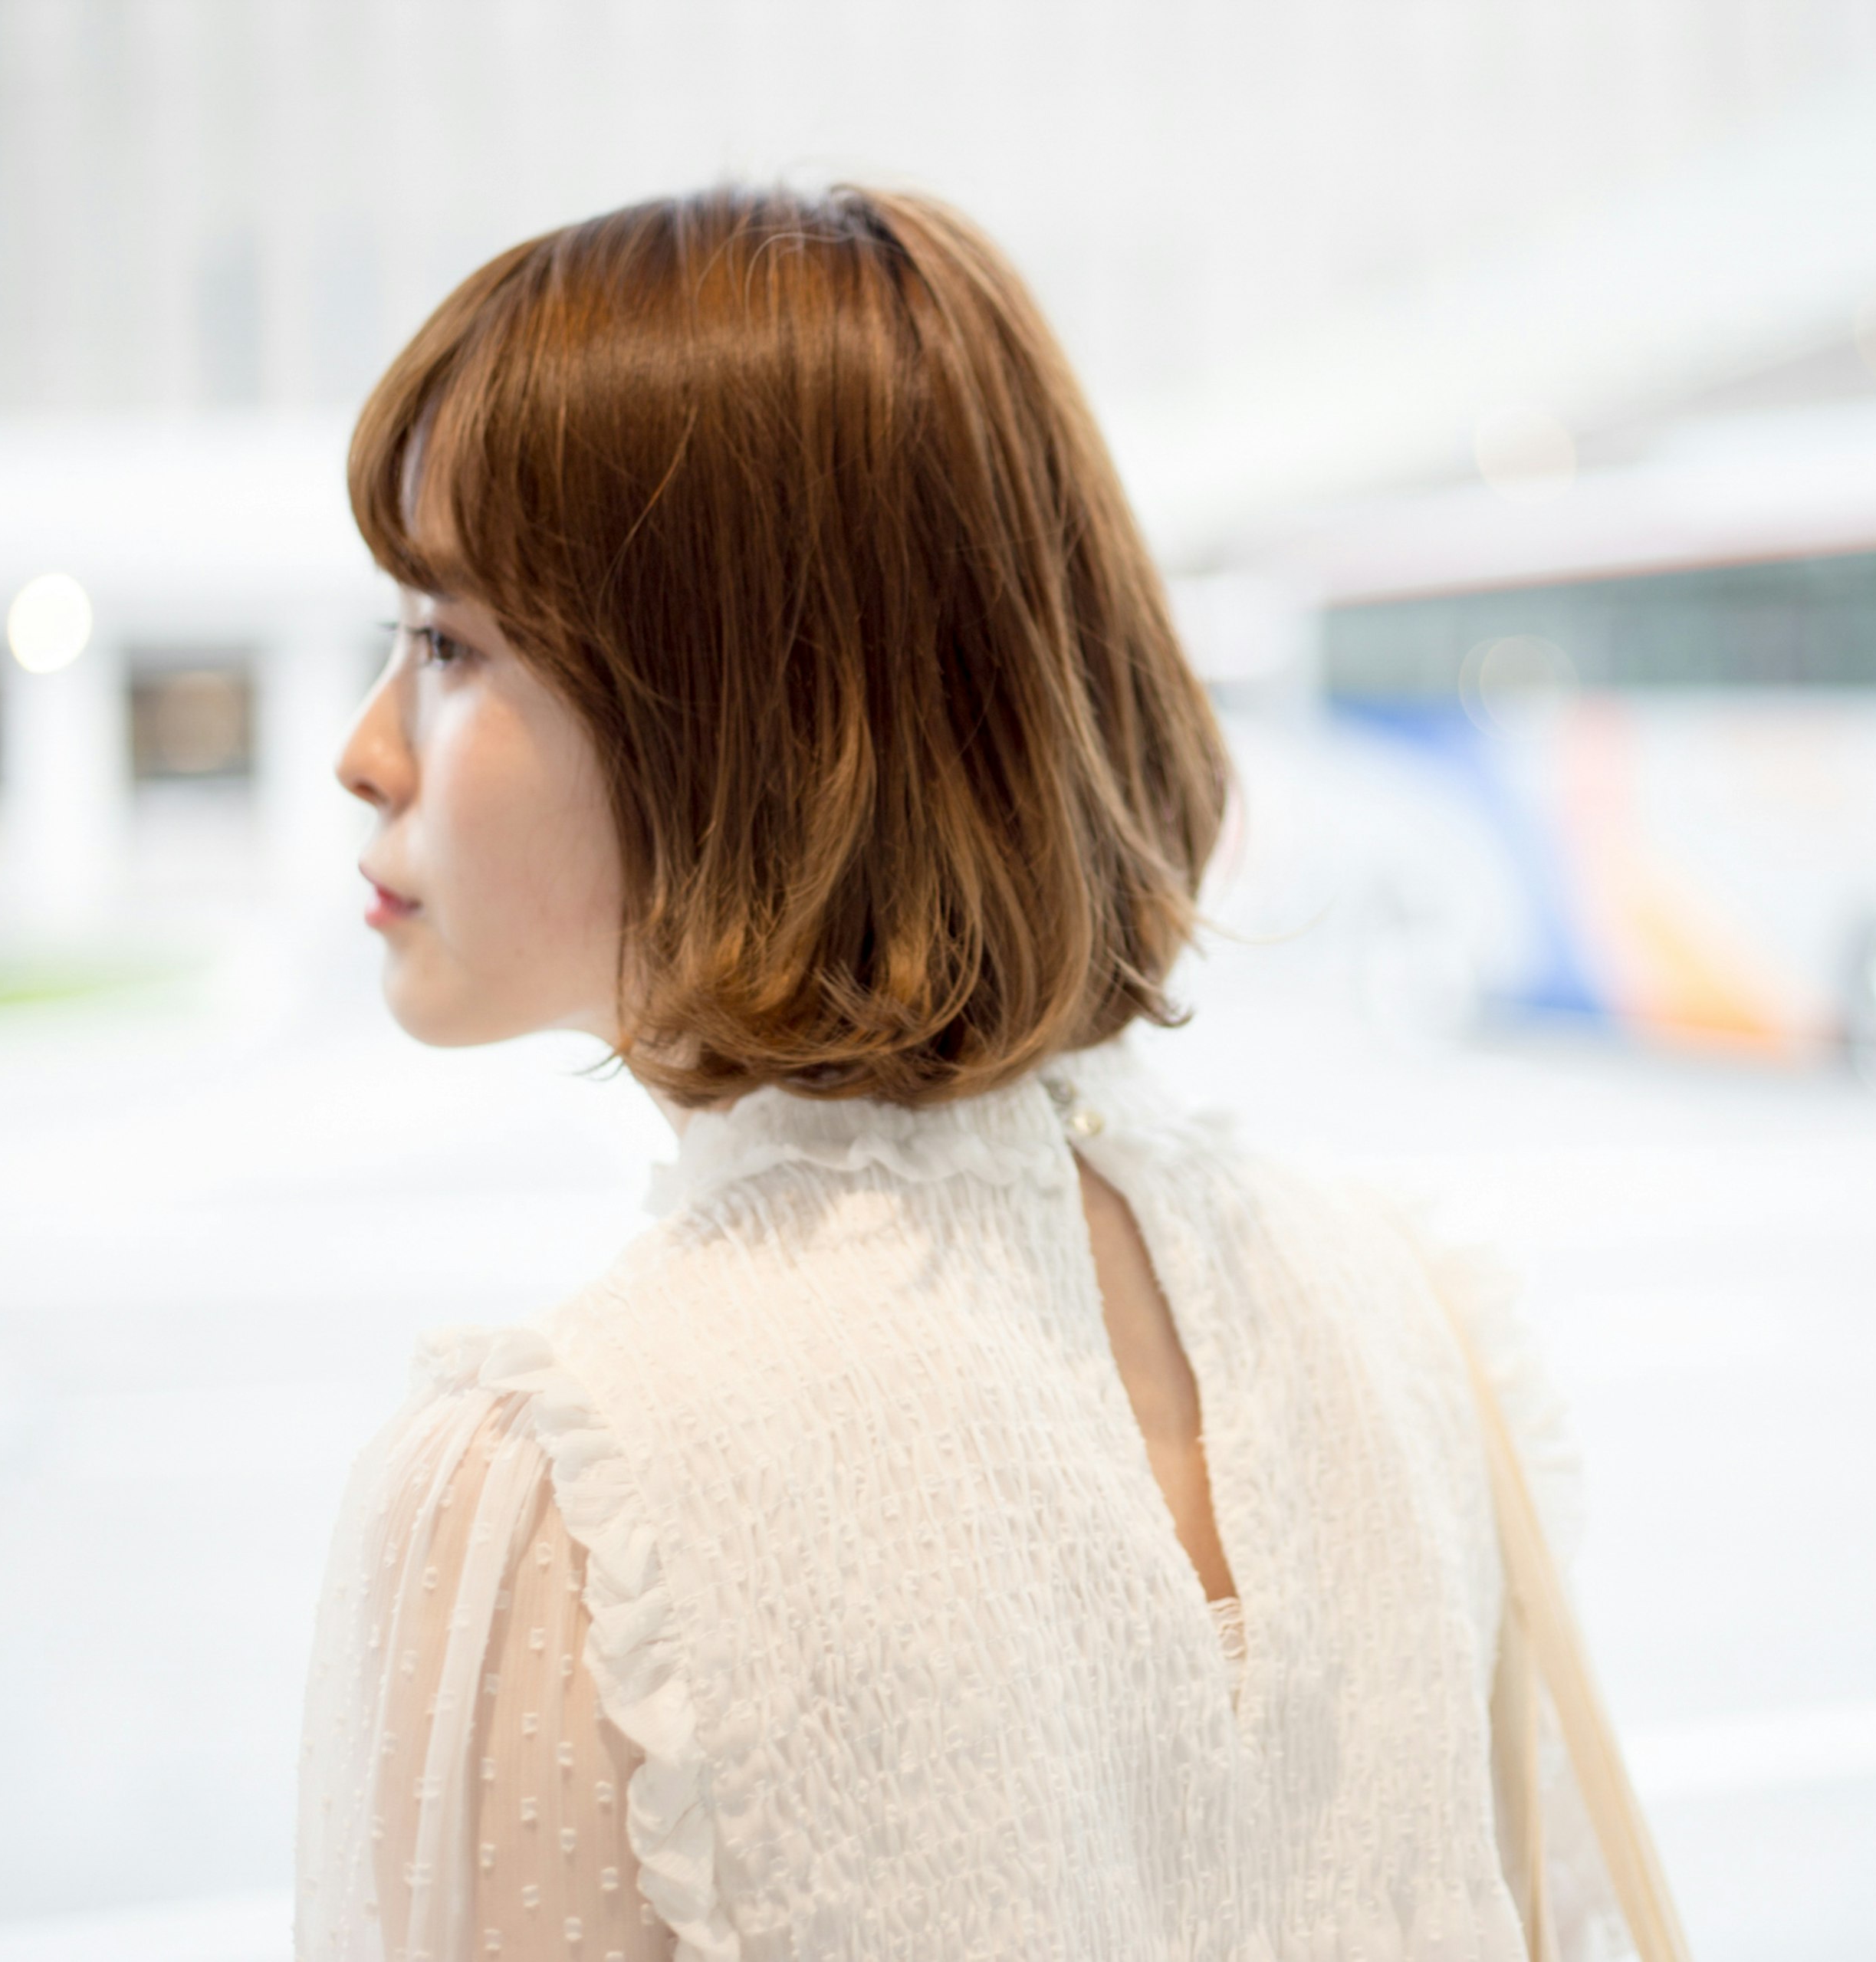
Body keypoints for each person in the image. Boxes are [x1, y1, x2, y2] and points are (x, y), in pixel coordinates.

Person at [295, 183, 1620, 1962]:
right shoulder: (1405, 1306)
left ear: (743, 703)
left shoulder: (564, 1492)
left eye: (447, 644)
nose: (364, 750)